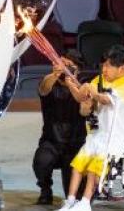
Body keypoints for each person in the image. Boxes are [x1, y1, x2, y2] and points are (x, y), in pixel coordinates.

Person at [57, 45, 124, 211]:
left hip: (121, 136)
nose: (104, 68)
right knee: (77, 166)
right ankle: (71, 201)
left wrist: (92, 92)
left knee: (95, 165)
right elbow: (82, 98)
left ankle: (86, 203)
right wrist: (71, 84)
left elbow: (105, 99)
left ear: (122, 68)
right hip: (100, 133)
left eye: (109, 65)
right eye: (103, 65)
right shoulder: (99, 79)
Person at [32, 52, 87, 205]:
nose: (64, 69)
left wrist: (72, 82)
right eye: (61, 64)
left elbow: (84, 102)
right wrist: (55, 74)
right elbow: (43, 89)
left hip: (75, 144)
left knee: (74, 196)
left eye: (68, 66)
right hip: (52, 141)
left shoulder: (84, 85)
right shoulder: (49, 81)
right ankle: (45, 190)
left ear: (78, 69)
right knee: (41, 161)